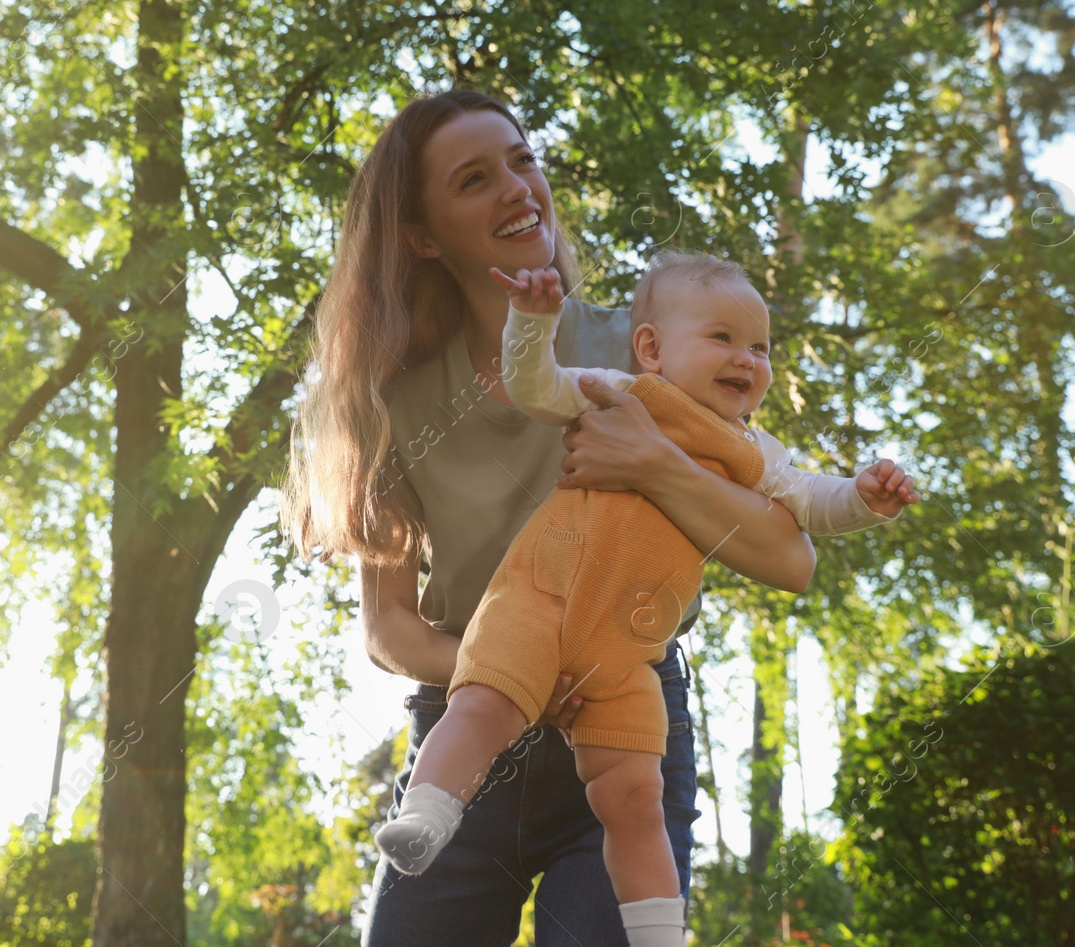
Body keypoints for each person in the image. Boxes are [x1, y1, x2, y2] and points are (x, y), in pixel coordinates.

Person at [280, 88, 820, 946]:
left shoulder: (642, 351)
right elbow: (387, 625)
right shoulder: (394, 405)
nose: (517, 187)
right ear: (422, 235)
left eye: (522, 160)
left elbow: (788, 553)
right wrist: (516, 674)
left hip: (625, 730)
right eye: (474, 177)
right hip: (465, 735)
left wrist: (656, 462)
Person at [370, 253, 919, 946]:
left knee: (636, 798)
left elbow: (817, 502)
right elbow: (534, 386)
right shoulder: (623, 392)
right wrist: (532, 325)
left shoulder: (758, 452)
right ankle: (426, 816)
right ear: (652, 347)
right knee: (481, 703)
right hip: (539, 604)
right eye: (722, 338)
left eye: (760, 346)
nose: (746, 359)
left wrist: (867, 498)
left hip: (626, 657)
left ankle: (657, 929)